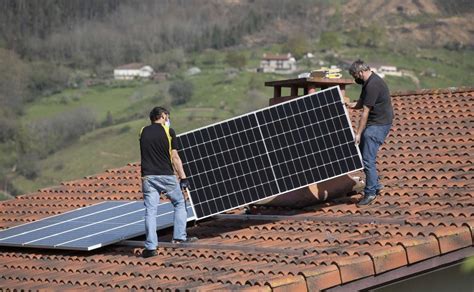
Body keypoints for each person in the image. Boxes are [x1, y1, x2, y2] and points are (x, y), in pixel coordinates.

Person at [139, 106, 197, 258]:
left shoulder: (143, 131)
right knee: (179, 203)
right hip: (165, 175)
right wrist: (183, 177)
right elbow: (175, 158)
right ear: (163, 116)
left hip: (148, 178)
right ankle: (179, 237)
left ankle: (151, 247)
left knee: (150, 211)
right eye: (167, 116)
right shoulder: (169, 132)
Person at [347, 60, 393, 207]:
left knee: (367, 159)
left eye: (355, 75)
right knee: (360, 154)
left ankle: (371, 192)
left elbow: (365, 113)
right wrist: (348, 104)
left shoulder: (373, 85)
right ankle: (375, 184)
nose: (356, 79)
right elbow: (361, 103)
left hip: (379, 125)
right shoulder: (368, 82)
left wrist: (359, 134)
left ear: (360, 72)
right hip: (376, 123)